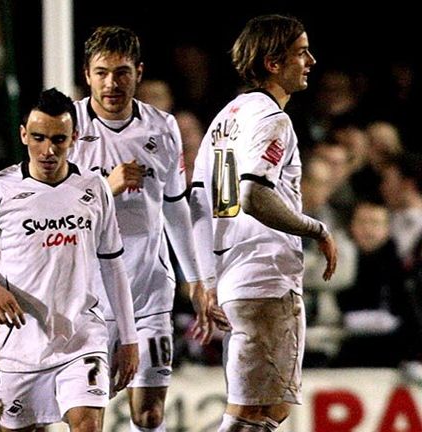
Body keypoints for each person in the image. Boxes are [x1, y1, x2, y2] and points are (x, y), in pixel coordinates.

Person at [0, 88, 139, 431]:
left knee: (88, 425)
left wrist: (128, 337)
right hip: (20, 344)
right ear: (24, 134)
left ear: (74, 137)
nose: (48, 150)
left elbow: (113, 264)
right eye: (38, 138)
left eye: (58, 139)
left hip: (82, 337)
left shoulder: (94, 188)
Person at [189, 15, 337, 431]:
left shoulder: (224, 120)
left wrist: (208, 278)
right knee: (251, 414)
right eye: (301, 52)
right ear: (273, 63)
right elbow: (254, 194)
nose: (310, 60)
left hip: (236, 278)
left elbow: (198, 205)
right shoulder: (274, 120)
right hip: (265, 278)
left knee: (269, 411)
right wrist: (317, 229)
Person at [68, 25, 216, 432]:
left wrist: (197, 278)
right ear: (87, 74)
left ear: (139, 72)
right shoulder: (68, 127)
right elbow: (53, 208)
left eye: (121, 72)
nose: (111, 83)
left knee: (148, 413)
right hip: (88, 296)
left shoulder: (162, 127)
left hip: (149, 289)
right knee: (86, 419)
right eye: (101, 72)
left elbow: (174, 206)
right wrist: (105, 188)